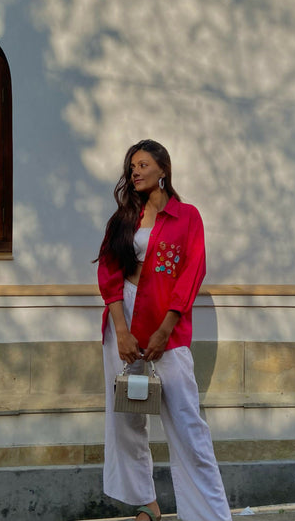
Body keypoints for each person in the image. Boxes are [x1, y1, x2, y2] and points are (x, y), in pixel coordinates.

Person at [97, 139, 232, 521]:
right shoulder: (123, 218)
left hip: (166, 325)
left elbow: (192, 272)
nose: (135, 172)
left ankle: (209, 515)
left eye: (142, 165)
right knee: (126, 418)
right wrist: (121, 331)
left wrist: (164, 330)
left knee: (187, 423)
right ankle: (147, 503)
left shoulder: (187, 217)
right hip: (122, 323)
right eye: (131, 167)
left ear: (163, 169)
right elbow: (108, 273)